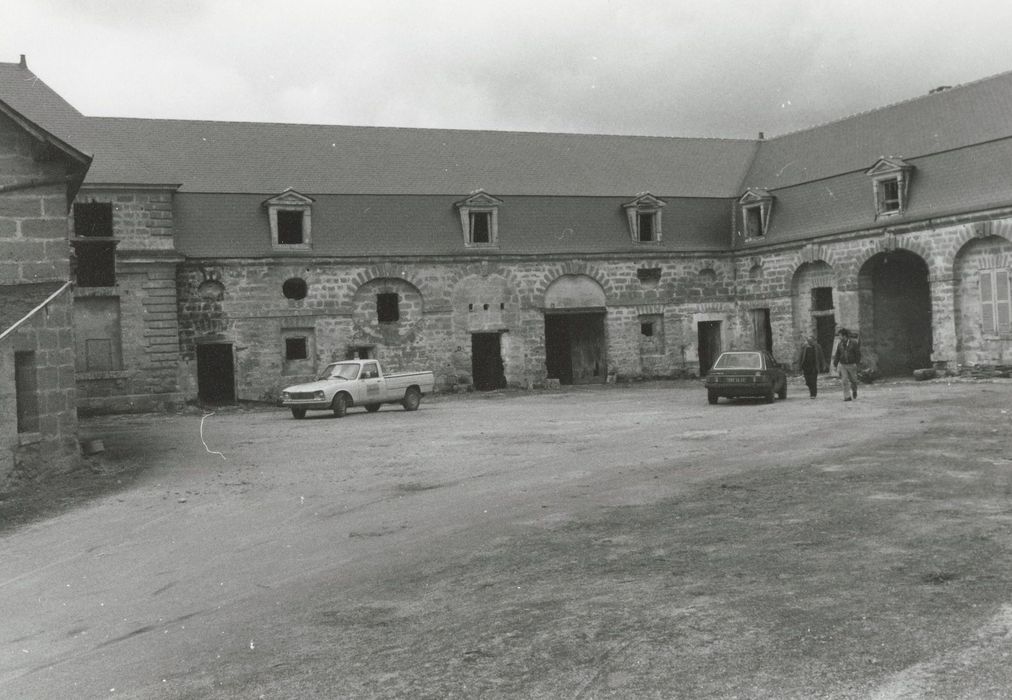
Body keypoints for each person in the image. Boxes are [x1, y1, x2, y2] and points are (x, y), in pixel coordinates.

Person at [832, 327, 861, 401]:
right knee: (844, 380)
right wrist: (835, 365)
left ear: (844, 336)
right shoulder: (840, 344)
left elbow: (858, 354)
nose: (839, 337)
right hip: (843, 365)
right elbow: (837, 355)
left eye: (840, 335)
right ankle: (847, 397)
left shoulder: (853, 343)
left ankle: (854, 390)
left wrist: (857, 364)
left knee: (854, 381)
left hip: (852, 364)